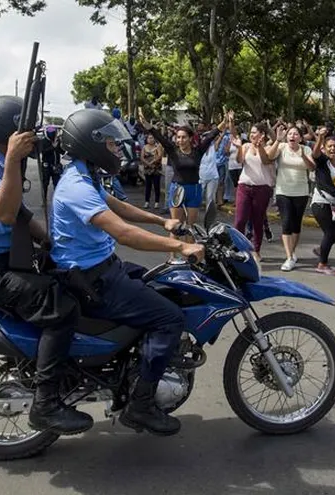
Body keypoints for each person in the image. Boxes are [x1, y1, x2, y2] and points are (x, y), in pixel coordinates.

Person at [51, 108, 204, 435]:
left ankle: (135, 367)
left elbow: (117, 206)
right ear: (91, 145)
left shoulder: (86, 175)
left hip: (102, 270)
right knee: (170, 318)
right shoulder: (76, 185)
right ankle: (141, 405)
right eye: (111, 144)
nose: (118, 149)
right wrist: (180, 247)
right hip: (93, 280)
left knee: (163, 285)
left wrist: (162, 221)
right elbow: (122, 232)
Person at [0, 95, 93, 434]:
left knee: (73, 282)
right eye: (27, 130)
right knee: (62, 309)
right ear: (8, 133)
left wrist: (49, 241)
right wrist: (14, 159)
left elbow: (23, 217)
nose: (35, 137)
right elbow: (5, 212)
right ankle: (46, 404)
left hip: (7, 259)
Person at [140, 110, 231, 235]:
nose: (180, 140)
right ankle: (173, 255)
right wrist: (147, 125)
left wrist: (224, 122)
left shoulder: (198, 151)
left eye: (183, 137)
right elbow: (159, 137)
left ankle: (189, 253)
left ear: (190, 138)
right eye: (178, 137)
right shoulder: (172, 150)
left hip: (194, 190)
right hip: (177, 189)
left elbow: (211, 136)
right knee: (176, 226)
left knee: (190, 228)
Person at [268, 127, 314, 271]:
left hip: (301, 192)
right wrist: (277, 140)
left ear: (300, 138)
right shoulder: (282, 147)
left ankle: (292, 254)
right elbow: (269, 157)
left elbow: (312, 167)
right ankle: (289, 257)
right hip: (283, 191)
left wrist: (303, 156)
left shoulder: (306, 149)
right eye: (290, 134)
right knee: (286, 222)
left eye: (296, 134)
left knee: (296, 225)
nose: (292, 136)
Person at [235, 123, 277, 261]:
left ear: (262, 135)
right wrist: (238, 148)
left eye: (255, 132)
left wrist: (260, 148)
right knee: (240, 220)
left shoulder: (270, 148)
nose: (252, 135)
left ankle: (256, 250)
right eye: (251, 132)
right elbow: (239, 160)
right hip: (244, 186)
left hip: (262, 189)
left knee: (257, 221)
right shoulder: (246, 146)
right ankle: (237, 249)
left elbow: (266, 161)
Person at [310, 130, 335, 275]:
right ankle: (322, 264)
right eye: (329, 146)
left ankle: (322, 249)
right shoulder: (323, 161)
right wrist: (320, 138)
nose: (332, 149)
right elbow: (315, 155)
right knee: (330, 232)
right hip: (321, 203)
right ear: (324, 148)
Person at [140, 134, 163, 209]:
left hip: (156, 169)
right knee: (148, 186)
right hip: (147, 169)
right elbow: (142, 157)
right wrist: (147, 164)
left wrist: (152, 162)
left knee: (156, 186)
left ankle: (157, 202)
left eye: (152, 138)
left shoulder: (158, 146)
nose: (150, 139)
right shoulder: (144, 147)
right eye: (149, 138)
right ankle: (147, 202)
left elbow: (159, 156)